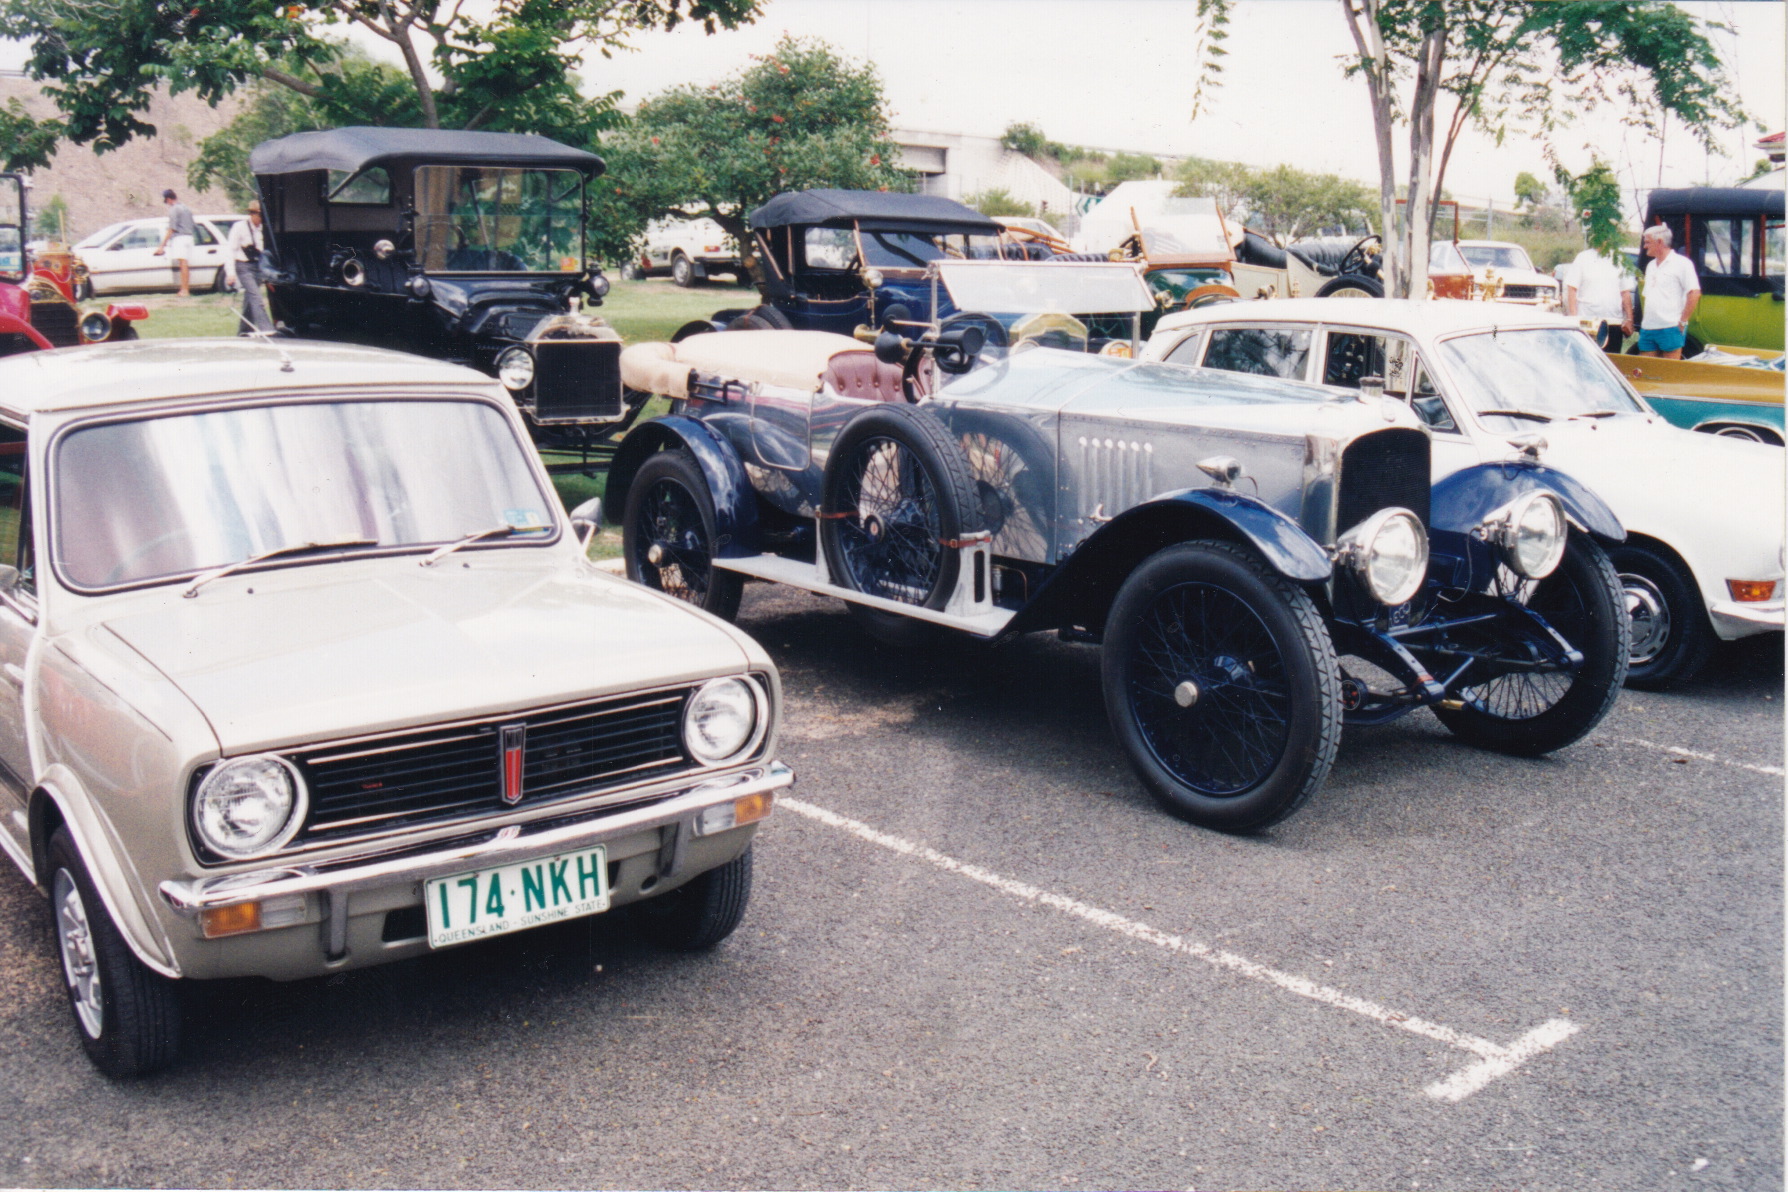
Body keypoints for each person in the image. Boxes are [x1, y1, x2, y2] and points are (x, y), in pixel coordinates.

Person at [1631, 224, 1700, 360]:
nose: (1645, 246)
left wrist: (1683, 322)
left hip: (1671, 327)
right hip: (1648, 328)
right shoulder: (1650, 266)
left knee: (1669, 372)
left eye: (1647, 242)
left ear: (1660, 242)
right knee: (1647, 370)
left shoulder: (1683, 264)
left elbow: (1694, 293)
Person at [1562, 239, 1635, 354]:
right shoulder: (1583, 258)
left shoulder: (1619, 259)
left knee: (1611, 363)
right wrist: (1574, 318)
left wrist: (1629, 319)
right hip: (1587, 322)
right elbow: (1572, 289)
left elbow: (1625, 292)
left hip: (1613, 323)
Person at [224, 200, 273, 334]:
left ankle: (244, 330)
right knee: (256, 297)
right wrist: (230, 273)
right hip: (243, 266)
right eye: (259, 215)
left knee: (250, 298)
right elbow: (230, 250)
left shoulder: (264, 229)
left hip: (257, 266)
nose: (261, 219)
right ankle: (267, 329)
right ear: (252, 214)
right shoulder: (239, 227)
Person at [152, 188, 196, 297]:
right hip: (189, 237)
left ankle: (185, 290)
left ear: (168, 199)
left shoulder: (174, 209)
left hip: (180, 238)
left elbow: (172, 228)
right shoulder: (186, 208)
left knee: (183, 264)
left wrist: (162, 246)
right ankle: (185, 289)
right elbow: (193, 225)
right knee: (185, 264)